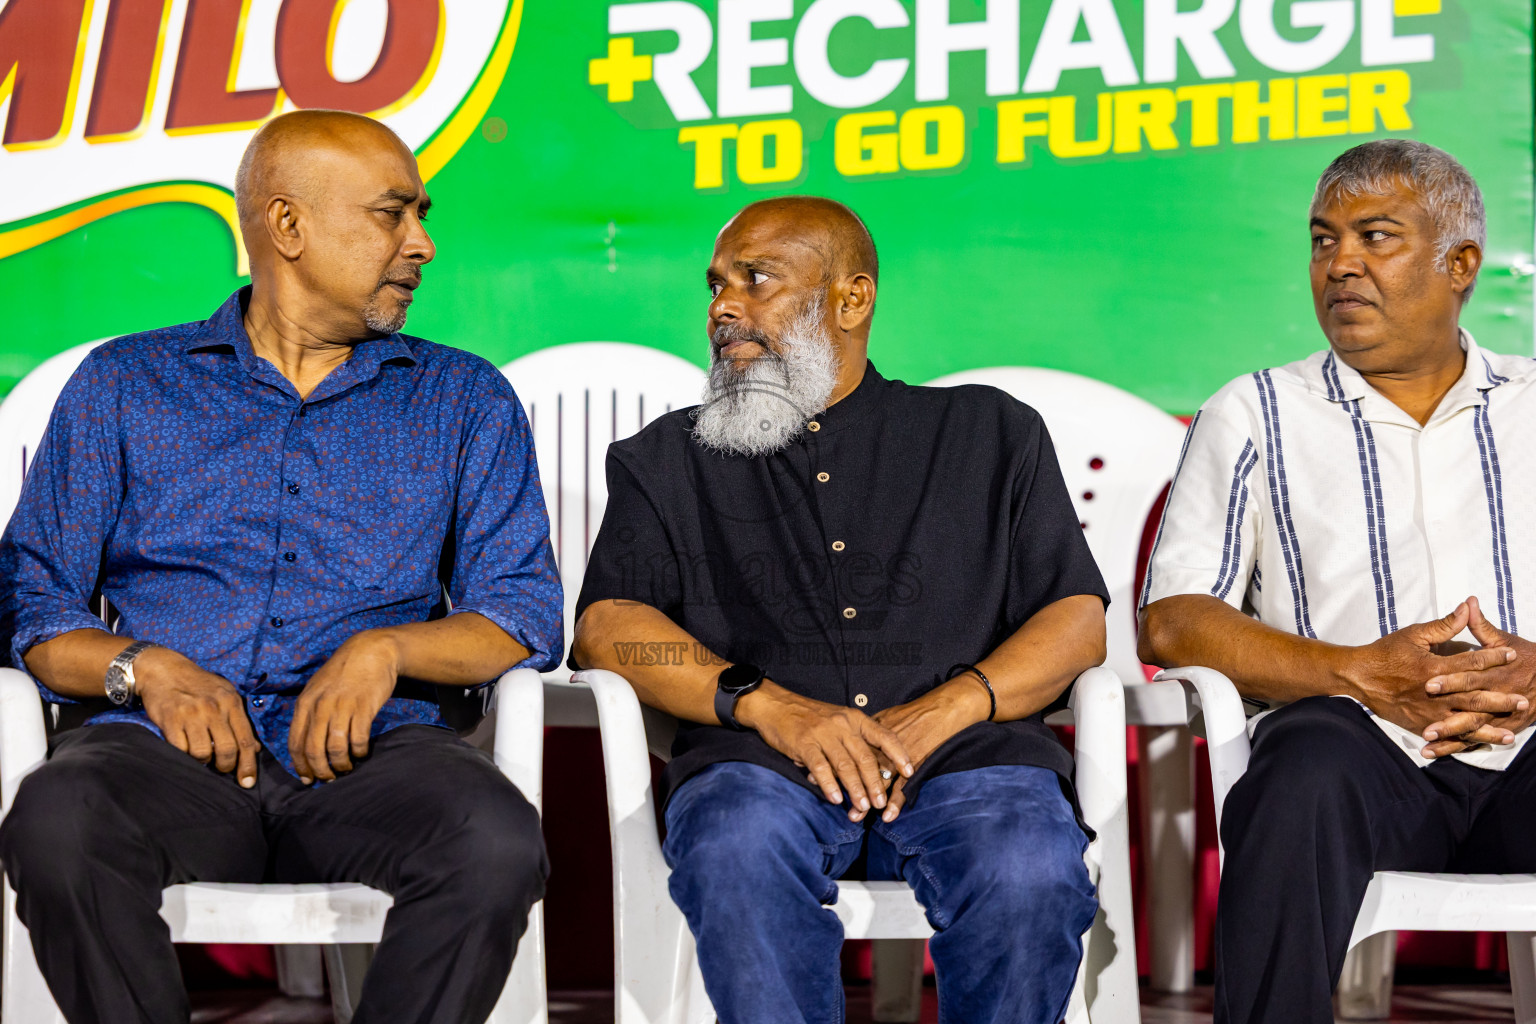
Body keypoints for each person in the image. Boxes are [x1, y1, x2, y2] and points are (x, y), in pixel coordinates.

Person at [0, 110, 562, 1024]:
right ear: (287, 226)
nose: (422, 244)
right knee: (58, 822)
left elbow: (525, 613)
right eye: (392, 215)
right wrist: (146, 667)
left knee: (494, 843)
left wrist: (385, 650)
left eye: (422, 215)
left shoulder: (464, 398)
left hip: (374, 760)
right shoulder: (126, 383)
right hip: (161, 754)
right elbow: (29, 598)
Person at [569, 195, 1107, 1024]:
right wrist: (771, 706)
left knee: (1028, 867)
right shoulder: (667, 458)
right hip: (760, 765)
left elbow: (1075, 619)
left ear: (852, 299)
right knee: (734, 847)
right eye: (715, 286)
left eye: (756, 281)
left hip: (967, 760)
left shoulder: (986, 431)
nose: (723, 306)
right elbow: (609, 629)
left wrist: (948, 707)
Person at [1139, 139, 1536, 1024]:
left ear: (1460, 263)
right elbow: (1171, 621)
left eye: (1375, 236)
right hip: (1360, 755)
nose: (1340, 264)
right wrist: (1358, 671)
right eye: (1322, 241)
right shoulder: (1255, 411)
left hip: (1529, 744)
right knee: (1302, 765)